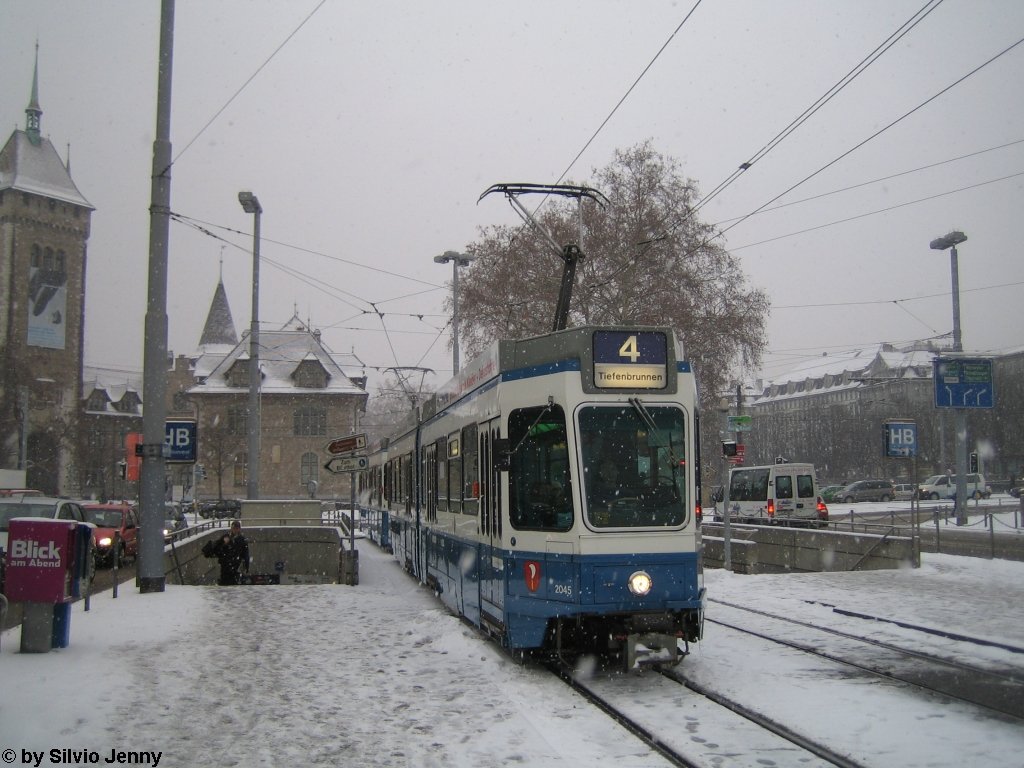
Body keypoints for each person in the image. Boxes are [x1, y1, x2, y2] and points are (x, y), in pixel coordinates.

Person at [212, 520, 250, 586]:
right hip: (226, 563)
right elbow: (217, 547)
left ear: (239, 529)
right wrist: (224, 544)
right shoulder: (226, 537)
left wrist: (246, 565)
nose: (235, 530)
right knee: (226, 580)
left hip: (235, 563)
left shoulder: (242, 539)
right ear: (231, 529)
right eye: (234, 528)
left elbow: (245, 553)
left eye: (237, 528)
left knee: (233, 580)